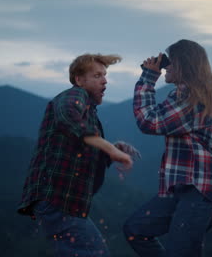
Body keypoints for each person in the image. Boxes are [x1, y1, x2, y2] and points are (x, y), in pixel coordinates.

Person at [123, 39, 212, 257]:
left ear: (184, 65)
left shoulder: (191, 96)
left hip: (198, 191)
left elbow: (149, 121)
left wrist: (148, 77)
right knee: (135, 230)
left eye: (170, 62)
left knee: (179, 251)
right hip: (182, 187)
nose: (165, 67)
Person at [17, 53, 140, 257]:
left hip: (65, 202)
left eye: (105, 75)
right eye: (97, 75)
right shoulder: (74, 96)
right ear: (79, 80)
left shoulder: (89, 111)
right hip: (57, 199)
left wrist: (111, 150)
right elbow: (69, 119)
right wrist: (111, 149)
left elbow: (79, 148)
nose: (105, 80)